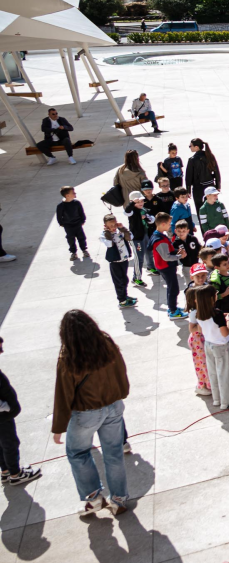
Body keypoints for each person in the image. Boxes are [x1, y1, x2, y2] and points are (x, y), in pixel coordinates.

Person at [51, 310, 130, 516]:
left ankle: (94, 499)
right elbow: (120, 369)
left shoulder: (68, 355)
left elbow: (63, 393)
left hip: (85, 412)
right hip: (113, 406)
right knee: (114, 454)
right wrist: (121, 393)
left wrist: (59, 427)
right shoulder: (105, 342)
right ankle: (119, 500)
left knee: (78, 454)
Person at [0, 336, 41, 485]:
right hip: (2, 417)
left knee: (2, 444)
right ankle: (16, 474)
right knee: (10, 443)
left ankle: (5, 471)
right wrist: (7, 407)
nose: (2, 351)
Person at [185, 138, 221, 212]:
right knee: (213, 207)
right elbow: (216, 171)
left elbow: (188, 176)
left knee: (200, 209)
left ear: (196, 147)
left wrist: (188, 190)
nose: (190, 147)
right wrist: (218, 186)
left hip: (198, 188)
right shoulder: (210, 156)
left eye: (190, 146)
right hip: (211, 185)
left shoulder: (192, 159)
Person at [57, 185, 89, 261]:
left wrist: (82, 221)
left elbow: (81, 212)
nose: (75, 193)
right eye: (73, 193)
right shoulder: (61, 206)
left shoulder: (77, 203)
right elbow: (59, 216)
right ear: (67, 195)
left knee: (82, 237)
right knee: (70, 239)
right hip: (68, 226)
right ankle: (73, 252)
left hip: (78, 224)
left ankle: (84, 250)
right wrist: (62, 224)